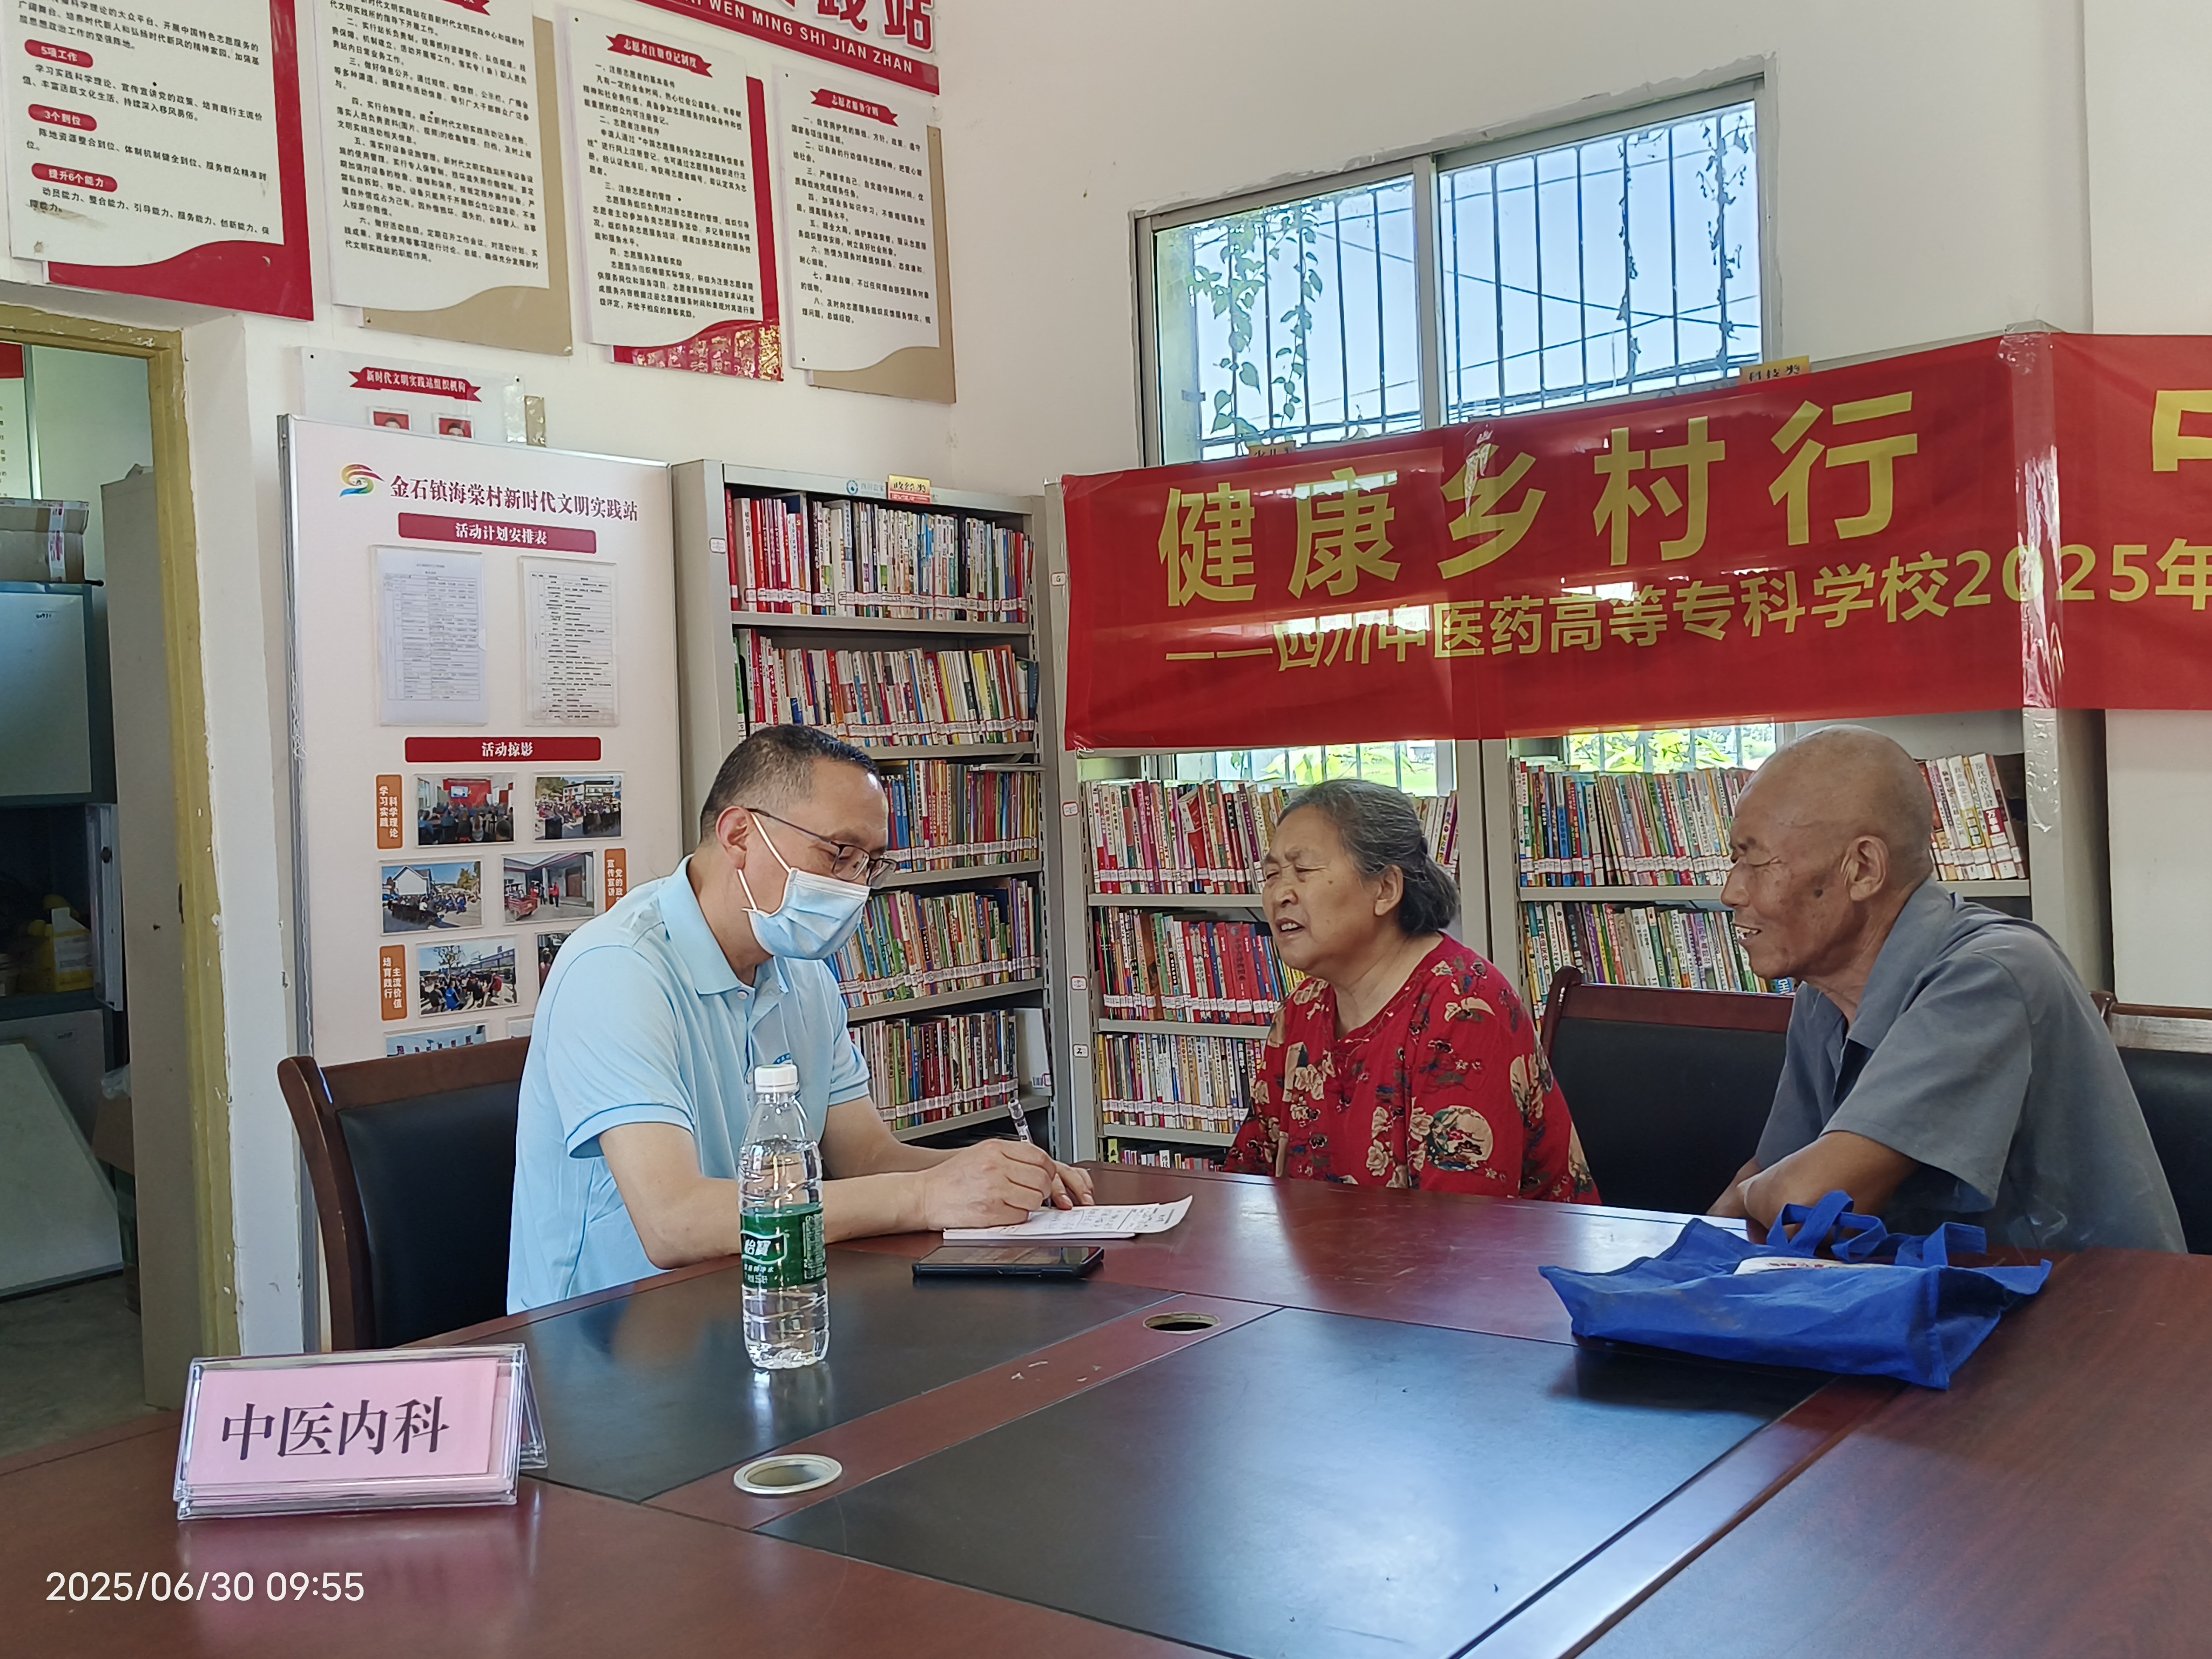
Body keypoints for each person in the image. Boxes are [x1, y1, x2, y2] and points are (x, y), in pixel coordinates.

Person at [508, 724, 1094, 1311]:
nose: (855, 887)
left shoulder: (799, 970)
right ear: (739, 835)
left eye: (870, 865)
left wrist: (996, 1173)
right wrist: (922, 1196)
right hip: (603, 1330)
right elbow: (673, 1221)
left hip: (762, 1301)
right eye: (839, 855)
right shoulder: (616, 969)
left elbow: (866, 1158)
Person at [1709, 725, 2182, 1252]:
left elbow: (1809, 1202)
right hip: (1923, 1293)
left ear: (1862, 869)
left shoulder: (1991, 974)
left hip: (2087, 1298)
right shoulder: (1823, 994)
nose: (1731, 892)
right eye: (1734, 860)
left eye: (1756, 862)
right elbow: (1771, 1171)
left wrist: (1757, 1193)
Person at [1225, 778, 1599, 1202]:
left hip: (1488, 1247)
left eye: (1304, 870)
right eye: (1272, 875)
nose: (1279, 894)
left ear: (1386, 888)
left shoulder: (1464, 1007)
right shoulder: (1303, 1009)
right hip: (1333, 1246)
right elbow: (1247, 1179)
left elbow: (1461, 1223)